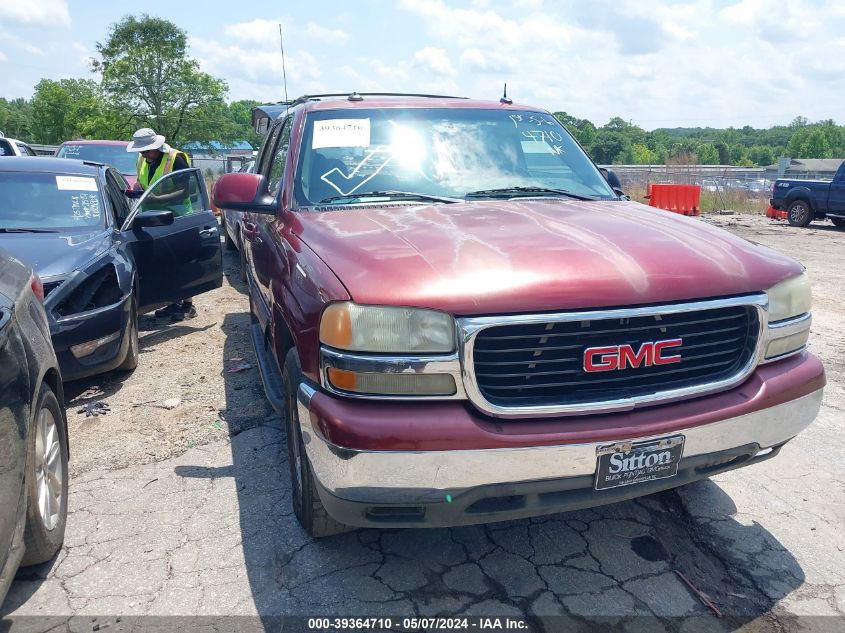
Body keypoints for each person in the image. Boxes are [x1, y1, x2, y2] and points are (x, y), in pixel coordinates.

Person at [126, 127, 196, 321]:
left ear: (157, 146)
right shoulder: (143, 158)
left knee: (180, 262)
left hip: (177, 217)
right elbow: (142, 183)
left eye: (147, 150)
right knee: (163, 263)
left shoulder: (176, 159)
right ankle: (173, 303)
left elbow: (184, 192)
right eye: (141, 151)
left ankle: (188, 305)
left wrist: (154, 198)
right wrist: (136, 191)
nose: (143, 154)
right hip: (152, 218)